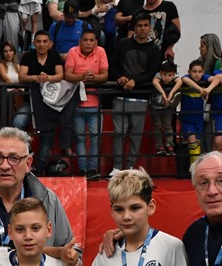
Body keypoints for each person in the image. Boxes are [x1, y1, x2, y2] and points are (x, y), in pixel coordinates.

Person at [0, 127, 77, 259]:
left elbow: (71, 253)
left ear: (28, 163)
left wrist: (72, 258)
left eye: (14, 158)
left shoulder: (48, 200)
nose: (5, 166)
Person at [107, 11, 160, 176]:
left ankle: (130, 167)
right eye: (139, 26)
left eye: (145, 25)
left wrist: (135, 80)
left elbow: (152, 72)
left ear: (149, 27)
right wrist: (119, 78)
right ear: (134, 27)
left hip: (141, 98)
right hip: (120, 96)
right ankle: (116, 167)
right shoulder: (123, 44)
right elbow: (113, 66)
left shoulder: (154, 49)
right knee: (119, 133)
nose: (143, 29)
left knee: (136, 136)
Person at [16, 30, 70, 175]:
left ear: (50, 43)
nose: (41, 44)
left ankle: (38, 170)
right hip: (31, 102)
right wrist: (35, 78)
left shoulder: (54, 56)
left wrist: (48, 78)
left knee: (47, 141)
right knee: (18, 122)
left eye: (45, 41)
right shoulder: (28, 56)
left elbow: (60, 75)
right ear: (34, 43)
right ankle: (28, 147)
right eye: (38, 41)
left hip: (50, 105)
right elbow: (21, 77)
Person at [64, 26, 108, 179]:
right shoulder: (72, 52)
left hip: (95, 103)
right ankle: (83, 170)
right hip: (76, 104)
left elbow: (105, 75)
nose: (88, 43)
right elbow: (68, 75)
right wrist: (83, 76)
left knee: (96, 138)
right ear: (80, 41)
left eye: (91, 40)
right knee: (81, 139)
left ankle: (93, 170)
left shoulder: (101, 51)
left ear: (96, 42)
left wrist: (92, 78)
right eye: (85, 40)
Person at [178, 58, 205, 165]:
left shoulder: (205, 79)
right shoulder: (186, 80)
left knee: (197, 145)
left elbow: (216, 79)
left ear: (203, 72)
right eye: (194, 72)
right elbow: (184, 79)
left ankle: (194, 169)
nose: (197, 74)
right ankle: (194, 171)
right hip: (187, 119)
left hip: (199, 119)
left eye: (199, 72)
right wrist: (200, 89)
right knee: (193, 146)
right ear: (189, 72)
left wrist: (208, 89)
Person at [149, 59, 179, 155]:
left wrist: (171, 93)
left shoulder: (175, 77)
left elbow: (180, 82)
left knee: (167, 125)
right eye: (164, 75)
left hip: (167, 107)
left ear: (174, 74)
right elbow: (155, 82)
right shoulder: (158, 76)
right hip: (155, 107)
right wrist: (162, 92)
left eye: (170, 75)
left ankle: (169, 145)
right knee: (157, 126)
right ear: (160, 73)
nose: (166, 78)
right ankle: (159, 146)